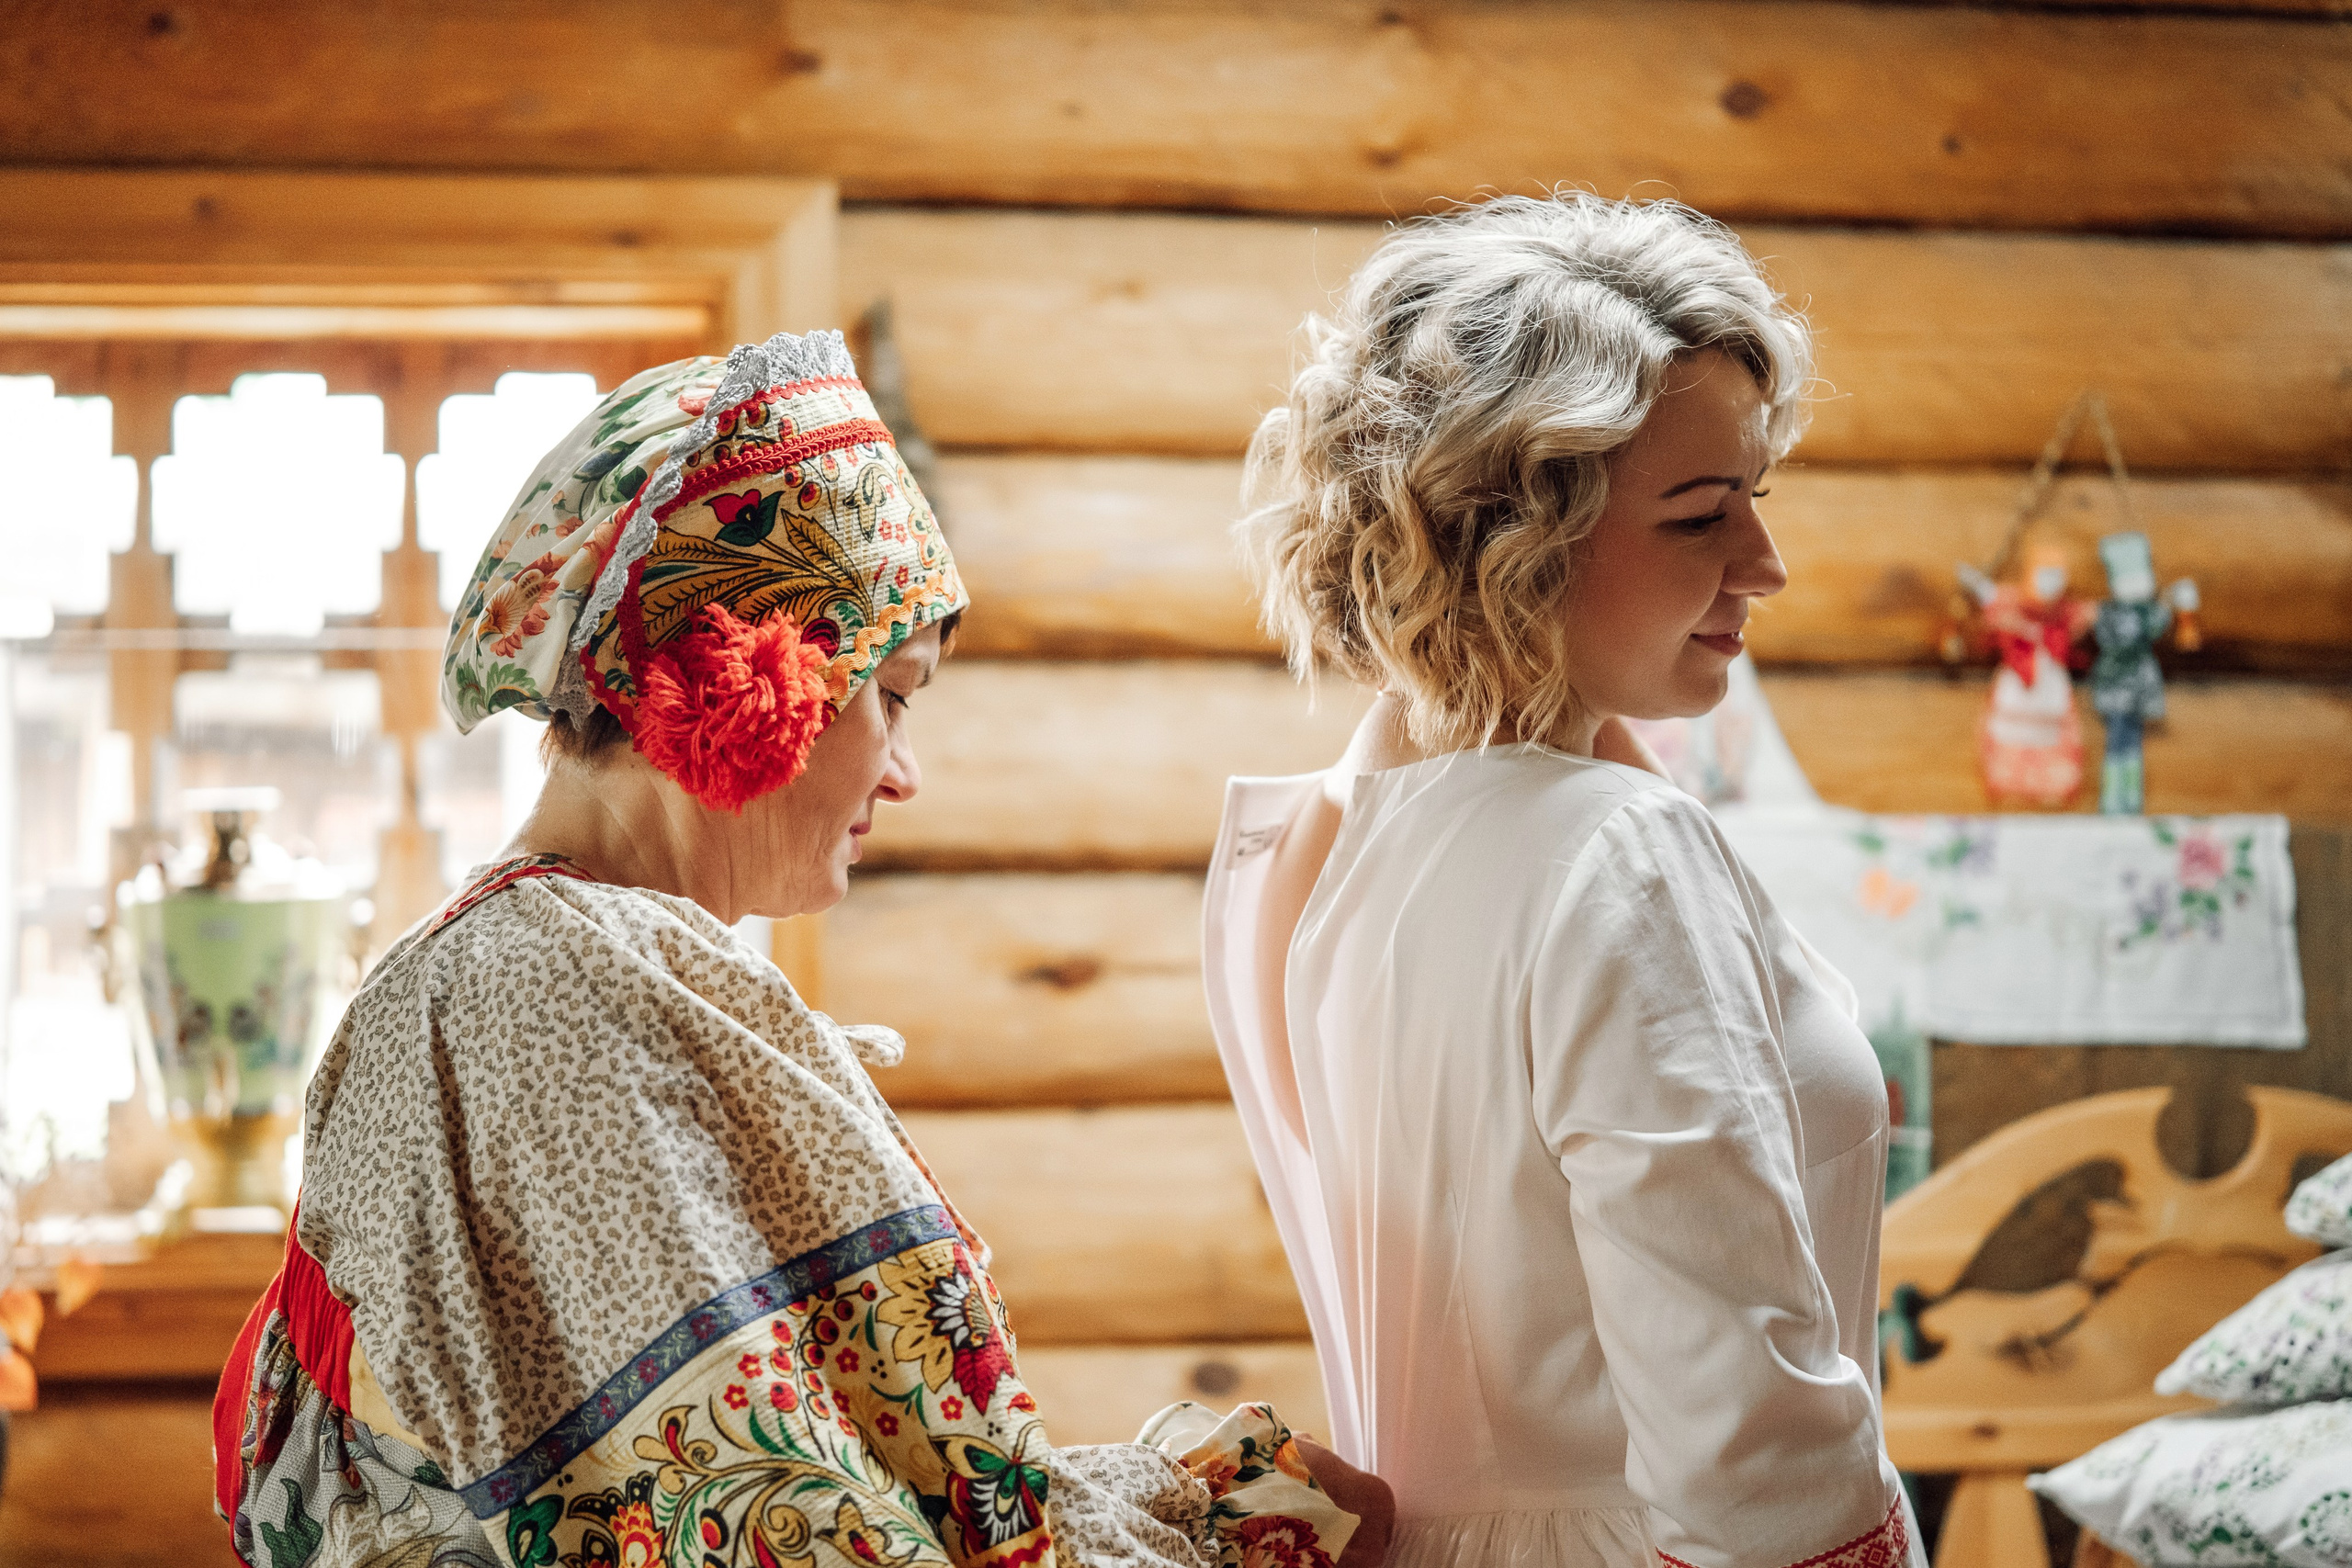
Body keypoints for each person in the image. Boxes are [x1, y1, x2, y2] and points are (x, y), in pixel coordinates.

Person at [213, 331, 1389, 1568]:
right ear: (753, 668)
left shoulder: (556, 961)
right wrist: (1223, 1526)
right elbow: (764, 1528)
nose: (907, 770)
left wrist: (1179, 1495)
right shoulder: (548, 990)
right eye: (896, 696)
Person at [1203, 195, 1922, 1568]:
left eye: (1753, 503)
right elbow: (1744, 1433)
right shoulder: (1617, 851)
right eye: (1704, 516)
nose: (1766, 565)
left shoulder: (1331, 840)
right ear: (1510, 538)